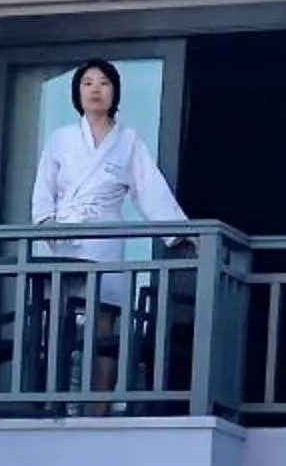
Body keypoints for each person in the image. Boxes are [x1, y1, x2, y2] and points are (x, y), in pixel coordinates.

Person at [28, 60, 186, 400]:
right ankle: (51, 404)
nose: (95, 89)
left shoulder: (128, 141)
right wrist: (47, 222)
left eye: (103, 83)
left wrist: (179, 233)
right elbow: (43, 189)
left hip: (103, 240)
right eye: (87, 83)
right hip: (63, 237)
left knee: (103, 326)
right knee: (56, 323)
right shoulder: (61, 139)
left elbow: (149, 189)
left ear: (115, 92)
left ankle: (97, 408)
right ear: (77, 93)